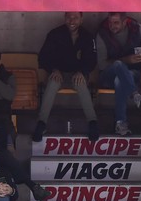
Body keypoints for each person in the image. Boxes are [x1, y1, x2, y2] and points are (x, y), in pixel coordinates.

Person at [34, 12, 99, 142]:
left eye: (75, 17)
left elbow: (92, 60)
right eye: (69, 17)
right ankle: (41, 123)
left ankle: (92, 123)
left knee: (80, 83)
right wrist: (54, 69)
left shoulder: (87, 37)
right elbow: (43, 57)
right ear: (64, 18)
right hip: (59, 73)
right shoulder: (55, 34)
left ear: (81, 19)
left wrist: (82, 71)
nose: (72, 20)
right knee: (52, 82)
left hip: (78, 73)